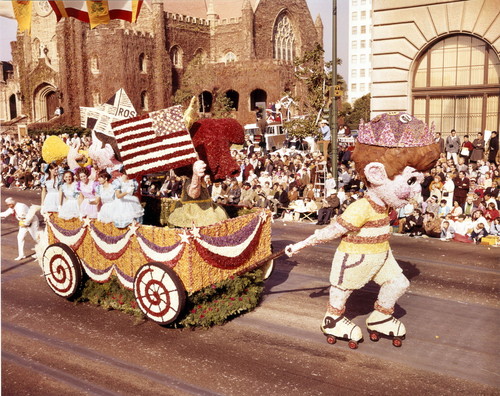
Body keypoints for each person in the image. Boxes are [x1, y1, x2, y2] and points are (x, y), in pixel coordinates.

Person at [285, 112, 440, 346]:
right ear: (375, 174)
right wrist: (301, 244)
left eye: (420, 181)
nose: (418, 190)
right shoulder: (361, 208)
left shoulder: (384, 206)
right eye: (411, 181)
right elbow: (333, 230)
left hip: (381, 255)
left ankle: (380, 316)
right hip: (355, 257)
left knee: (399, 283)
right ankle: (333, 319)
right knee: (343, 288)